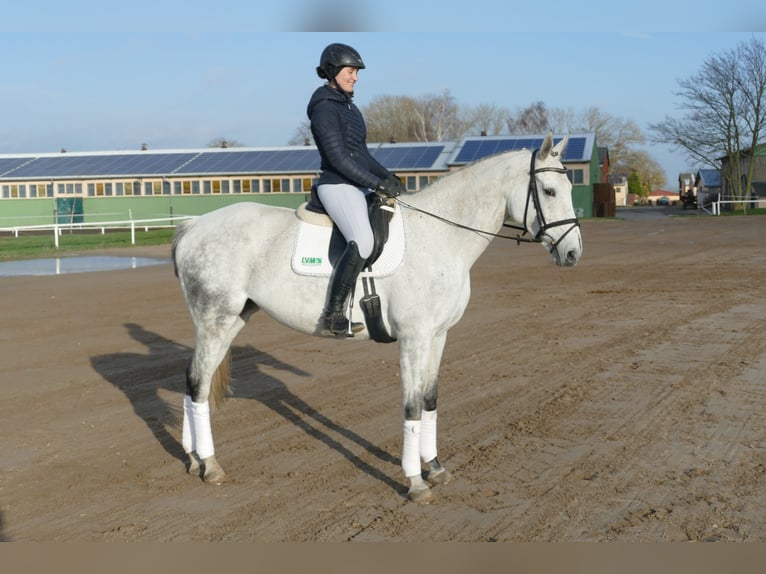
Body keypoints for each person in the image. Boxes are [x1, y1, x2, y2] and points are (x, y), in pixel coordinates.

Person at [307, 43, 406, 337]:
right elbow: (338, 158)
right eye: (351, 71)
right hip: (336, 185)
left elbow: (360, 153)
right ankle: (333, 314)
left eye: (356, 72)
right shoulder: (324, 108)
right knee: (362, 239)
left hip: (353, 185)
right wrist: (375, 183)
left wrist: (388, 176)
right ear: (334, 72)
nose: (355, 77)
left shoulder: (349, 107)